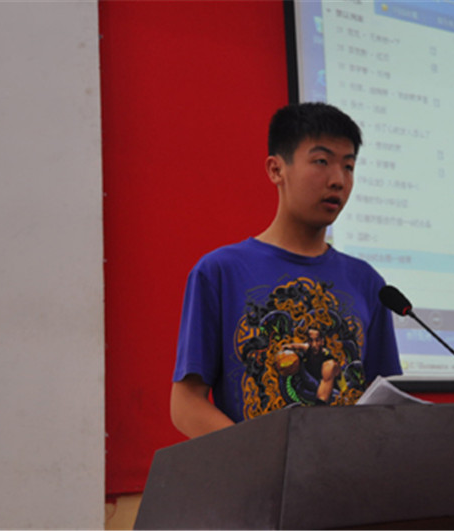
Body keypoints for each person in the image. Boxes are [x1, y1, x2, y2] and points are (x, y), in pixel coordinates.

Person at [170, 102, 402, 438]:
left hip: (345, 468)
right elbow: (186, 404)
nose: (338, 180)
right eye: (321, 162)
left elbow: (387, 406)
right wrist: (261, 456)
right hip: (258, 468)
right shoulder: (220, 272)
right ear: (276, 170)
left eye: (348, 166)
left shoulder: (367, 282)